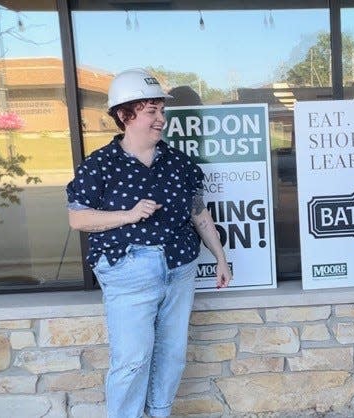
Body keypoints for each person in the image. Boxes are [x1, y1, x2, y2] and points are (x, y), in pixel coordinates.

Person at [66, 68, 232, 418]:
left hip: (179, 269)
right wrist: (128, 215)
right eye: (151, 111)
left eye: (161, 110)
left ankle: (159, 413)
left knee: (172, 355)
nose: (161, 119)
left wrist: (219, 256)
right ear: (125, 115)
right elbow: (78, 219)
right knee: (132, 361)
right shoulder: (100, 165)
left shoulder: (179, 164)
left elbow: (199, 214)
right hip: (129, 271)